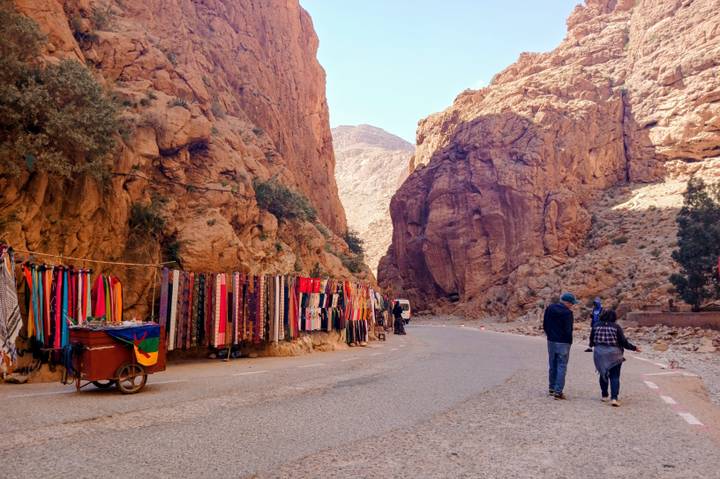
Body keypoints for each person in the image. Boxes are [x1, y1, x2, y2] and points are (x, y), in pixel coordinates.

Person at [590, 309, 640, 407]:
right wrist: (634, 348)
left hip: (600, 354)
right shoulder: (616, 327)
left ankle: (604, 395)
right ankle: (614, 398)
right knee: (615, 376)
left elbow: (591, 340)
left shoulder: (596, 326)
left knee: (603, 374)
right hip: (614, 354)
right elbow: (623, 342)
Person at [543, 292, 578, 400]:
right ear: (567, 302)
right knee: (562, 366)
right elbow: (568, 330)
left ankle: (552, 388)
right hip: (563, 342)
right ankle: (558, 392)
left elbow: (545, 324)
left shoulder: (550, 308)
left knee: (552, 364)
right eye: (571, 303)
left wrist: (549, 335)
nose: (572, 305)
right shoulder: (568, 313)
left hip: (551, 341)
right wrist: (569, 341)